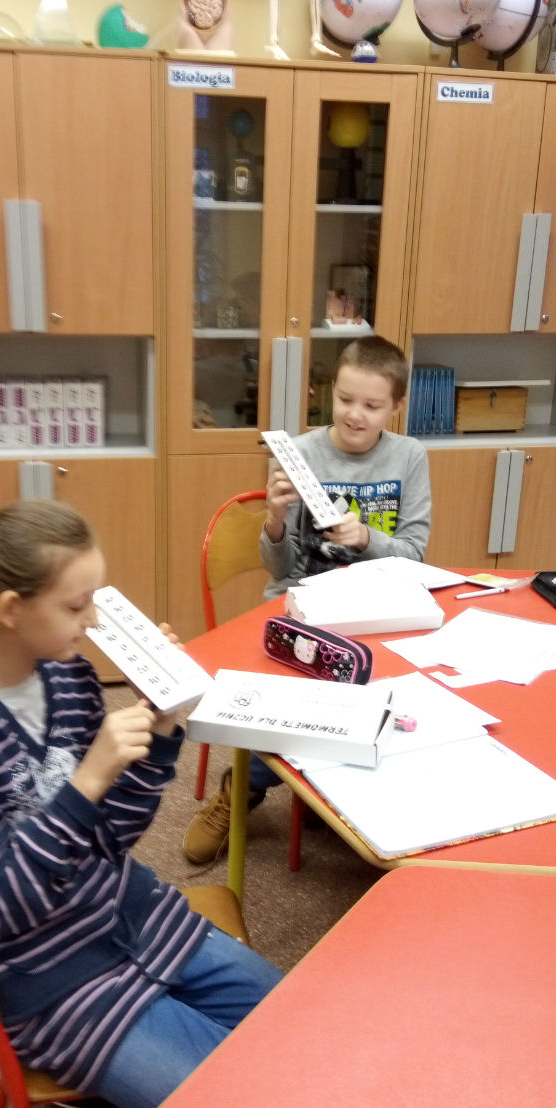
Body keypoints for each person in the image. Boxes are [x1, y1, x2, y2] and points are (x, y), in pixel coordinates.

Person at [0, 499, 281, 1108]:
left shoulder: (64, 676)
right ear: (11, 611)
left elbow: (112, 838)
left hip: (136, 916)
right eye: (76, 606)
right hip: (53, 981)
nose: (94, 620)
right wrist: (88, 779)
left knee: (299, 1029)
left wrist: (159, 724)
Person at [184, 335, 431, 864]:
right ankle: (242, 790)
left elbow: (414, 555)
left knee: (401, 691)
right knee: (296, 698)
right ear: (330, 392)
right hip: (301, 606)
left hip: (376, 608)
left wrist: (365, 538)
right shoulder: (299, 451)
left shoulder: (409, 456)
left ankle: (331, 789)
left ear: (396, 406)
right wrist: (274, 519)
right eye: (345, 399)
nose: (355, 415)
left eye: (371, 405)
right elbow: (280, 569)